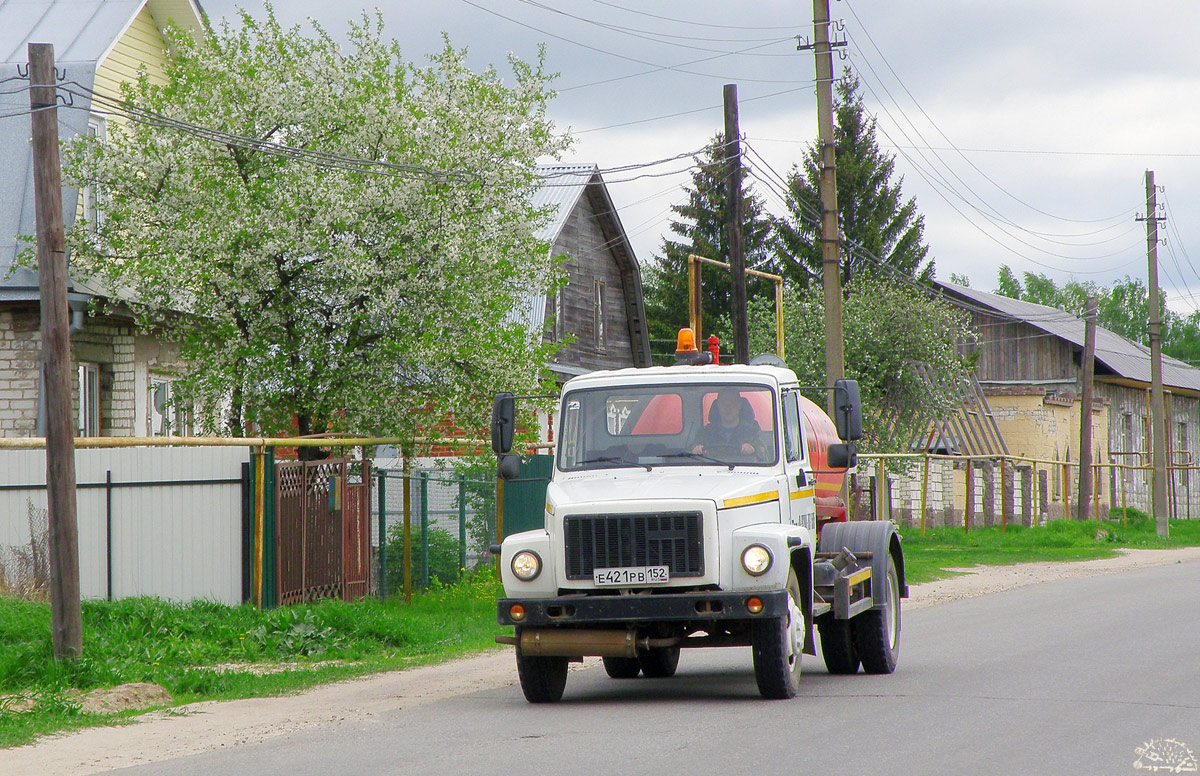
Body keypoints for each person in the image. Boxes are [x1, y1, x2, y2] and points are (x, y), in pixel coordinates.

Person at [692, 388, 761, 457]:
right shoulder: (705, 432)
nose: (728, 407)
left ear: (740, 405)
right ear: (717, 405)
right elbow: (689, 454)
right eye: (723, 402)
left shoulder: (752, 430)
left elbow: (765, 455)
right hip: (712, 467)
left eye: (732, 402)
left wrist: (753, 449)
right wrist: (696, 449)